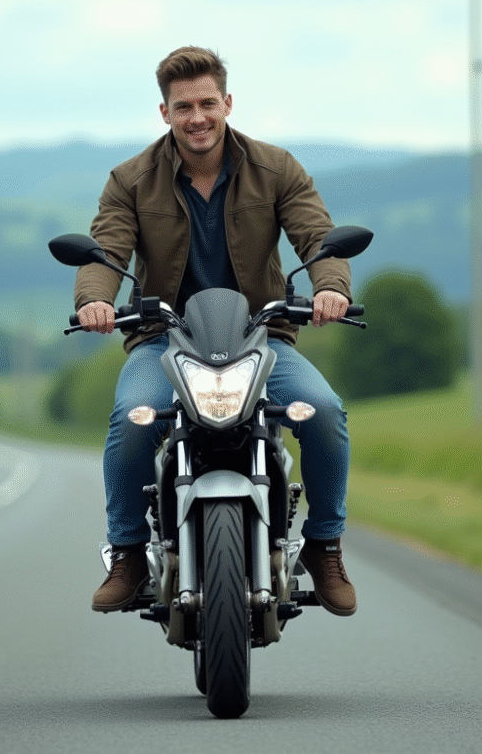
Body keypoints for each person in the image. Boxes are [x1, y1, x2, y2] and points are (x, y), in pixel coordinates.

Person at [73, 46, 357, 616]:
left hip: (261, 337)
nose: (197, 117)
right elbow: (106, 249)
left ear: (227, 103)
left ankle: (325, 544)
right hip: (164, 340)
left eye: (207, 103)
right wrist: (95, 301)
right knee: (132, 420)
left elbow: (316, 235)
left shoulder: (276, 168)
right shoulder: (130, 180)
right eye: (184, 107)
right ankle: (127, 551)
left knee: (323, 411)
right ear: (164, 113)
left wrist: (331, 287)